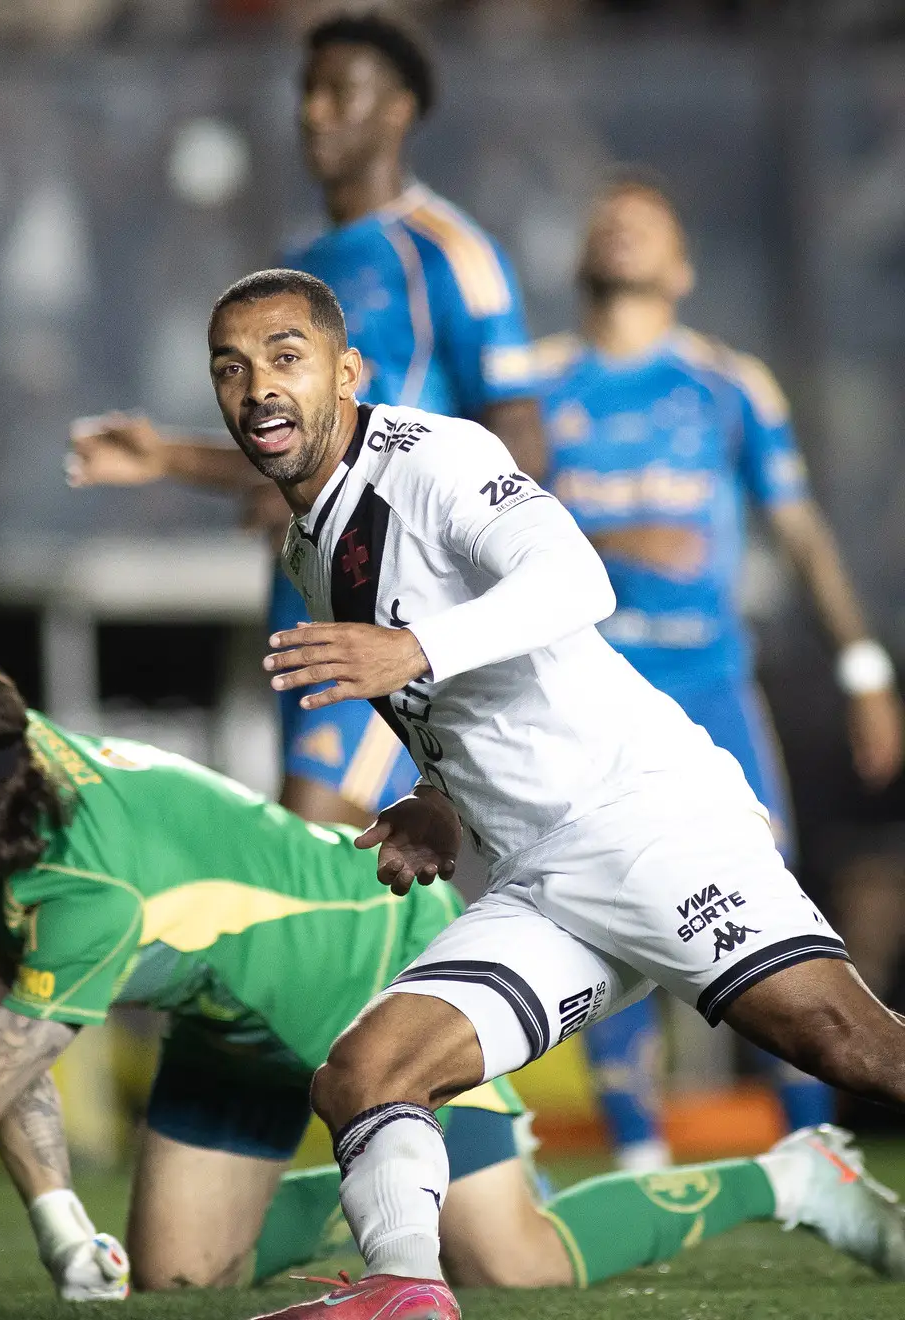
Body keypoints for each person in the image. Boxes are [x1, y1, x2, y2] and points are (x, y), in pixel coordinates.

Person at [0, 647, 898, 1309]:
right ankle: (367, 1207)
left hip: (353, 964)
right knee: (185, 1279)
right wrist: (59, 1225)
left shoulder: (90, 889)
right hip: (222, 1013)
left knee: (515, 1264)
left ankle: (793, 1178)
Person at [198, 268, 905, 1320]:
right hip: (540, 877)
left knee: (851, 1048)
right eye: (231, 367)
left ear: (345, 373)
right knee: (364, 1075)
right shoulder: (311, 539)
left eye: (285, 358)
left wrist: (409, 647)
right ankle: (403, 1295)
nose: (258, 386)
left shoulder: (433, 457)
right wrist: (437, 797)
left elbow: (576, 583)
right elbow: (451, 694)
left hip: (642, 822)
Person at [70, 6, 545, 830]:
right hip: (305, 589)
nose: (312, 111)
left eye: (340, 92)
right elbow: (304, 445)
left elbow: (521, 438)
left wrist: (455, 579)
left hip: (390, 598)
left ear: (397, 109)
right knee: (342, 871)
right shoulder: (305, 264)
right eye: (307, 90)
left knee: (314, 845)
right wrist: (165, 459)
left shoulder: (449, 255)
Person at [541, 175, 904, 1170]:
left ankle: (809, 1149)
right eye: (603, 215)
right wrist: (613, 532)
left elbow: (798, 533)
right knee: (595, 903)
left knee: (763, 903)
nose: (618, 223)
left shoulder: (726, 385)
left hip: (708, 691)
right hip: (591, 697)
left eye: (646, 221)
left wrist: (863, 666)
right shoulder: (527, 388)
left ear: (681, 268)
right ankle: (636, 1155)